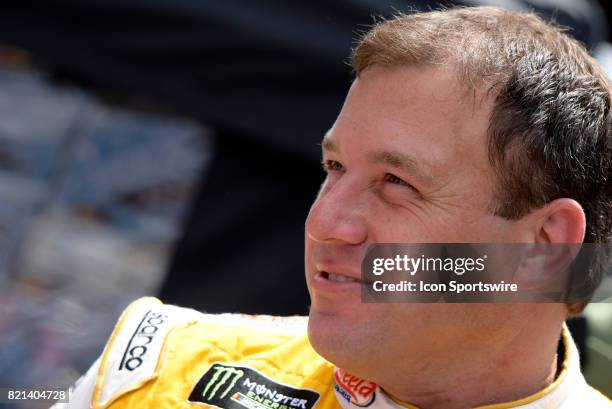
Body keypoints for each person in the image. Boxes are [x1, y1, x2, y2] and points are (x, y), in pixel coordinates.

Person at [53, 6, 612, 409]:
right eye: (334, 169)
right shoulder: (159, 370)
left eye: (397, 182)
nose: (325, 224)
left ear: (546, 248)